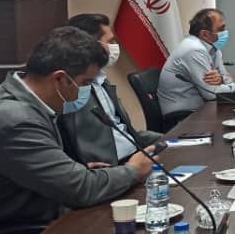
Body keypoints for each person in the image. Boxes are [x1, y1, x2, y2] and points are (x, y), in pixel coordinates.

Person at [0, 27, 155, 234]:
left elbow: (37, 173)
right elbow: (81, 189)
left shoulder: (26, 101)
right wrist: (133, 170)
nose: (87, 91)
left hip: (36, 216)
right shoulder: (15, 119)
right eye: (85, 83)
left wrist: (76, 171)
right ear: (60, 79)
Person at [59, 14, 163, 166]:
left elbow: (126, 132)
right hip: (112, 168)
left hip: (136, 155)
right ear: (92, 46)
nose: (115, 46)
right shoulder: (71, 91)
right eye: (110, 42)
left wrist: (171, 138)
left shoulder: (102, 81)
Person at [158, 8, 235, 127]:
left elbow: (225, 77)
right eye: (221, 29)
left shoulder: (214, 49)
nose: (225, 33)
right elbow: (211, 94)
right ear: (204, 34)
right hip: (182, 118)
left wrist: (222, 79)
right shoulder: (194, 50)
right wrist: (233, 86)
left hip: (200, 111)